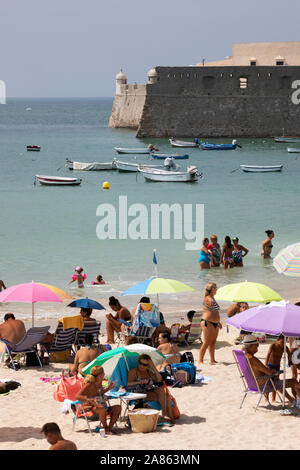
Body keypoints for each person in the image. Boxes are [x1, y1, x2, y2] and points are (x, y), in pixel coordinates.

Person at [242, 335, 297, 404]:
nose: (257, 346)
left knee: (276, 380)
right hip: (264, 386)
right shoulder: (253, 360)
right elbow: (270, 373)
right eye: (257, 345)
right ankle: (295, 401)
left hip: (253, 385)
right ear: (250, 346)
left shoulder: (244, 358)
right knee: (294, 382)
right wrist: (274, 372)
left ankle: (291, 399)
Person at [127, 354, 175, 425]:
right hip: (139, 394)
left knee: (163, 392)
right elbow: (128, 383)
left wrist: (153, 367)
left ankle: (166, 416)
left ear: (148, 365)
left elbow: (159, 379)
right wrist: (139, 381)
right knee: (166, 397)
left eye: (145, 365)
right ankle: (168, 417)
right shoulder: (134, 371)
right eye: (140, 363)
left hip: (149, 392)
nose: (142, 366)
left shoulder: (148, 372)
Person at [75, 366, 121, 435]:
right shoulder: (89, 384)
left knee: (118, 408)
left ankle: (109, 428)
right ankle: (106, 428)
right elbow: (77, 396)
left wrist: (108, 388)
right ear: (100, 375)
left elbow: (99, 392)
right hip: (91, 409)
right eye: (103, 373)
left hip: (100, 407)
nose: (104, 374)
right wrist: (89, 399)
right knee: (102, 409)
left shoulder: (99, 382)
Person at [198, 283, 222, 365]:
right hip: (207, 322)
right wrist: (210, 300)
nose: (217, 289)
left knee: (213, 342)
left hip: (215, 323)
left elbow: (215, 311)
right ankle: (200, 360)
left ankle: (212, 359)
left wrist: (218, 322)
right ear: (212, 289)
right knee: (207, 342)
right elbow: (209, 304)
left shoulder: (213, 298)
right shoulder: (207, 298)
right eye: (215, 288)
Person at [265, 334, 291, 402]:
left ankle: (273, 398)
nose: (283, 344)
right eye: (282, 342)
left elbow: (289, 354)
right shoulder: (273, 345)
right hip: (270, 365)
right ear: (278, 340)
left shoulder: (284, 347)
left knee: (276, 381)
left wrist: (289, 361)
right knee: (268, 381)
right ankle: (266, 398)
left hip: (277, 366)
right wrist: (265, 366)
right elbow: (268, 355)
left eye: (284, 342)